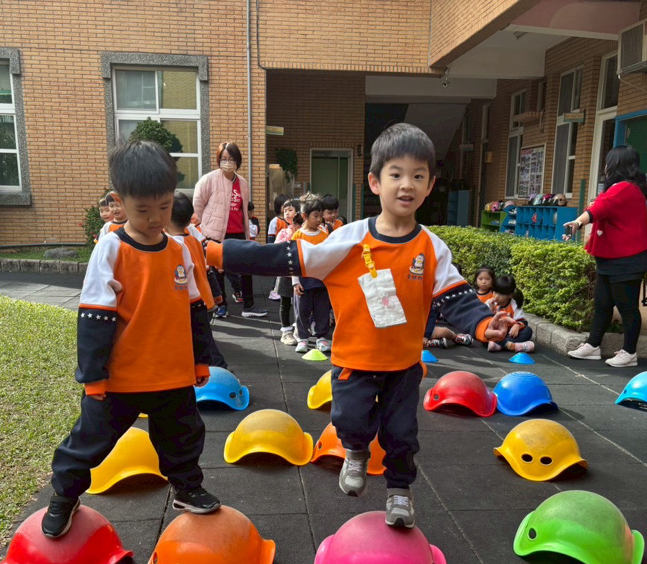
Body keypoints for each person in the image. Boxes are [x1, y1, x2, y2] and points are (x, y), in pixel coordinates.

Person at [207, 123, 512, 529]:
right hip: (354, 360)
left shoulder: (431, 248)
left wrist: (485, 324)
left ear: (429, 185)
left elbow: (455, 298)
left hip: (403, 364)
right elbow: (285, 257)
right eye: (396, 174)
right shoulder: (347, 241)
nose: (407, 185)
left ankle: (399, 491)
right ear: (375, 182)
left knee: (402, 434)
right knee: (349, 421)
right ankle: (355, 450)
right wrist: (219, 253)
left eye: (418, 176)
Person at [42, 140, 220, 538]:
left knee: (184, 435)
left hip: (172, 373)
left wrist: (200, 359)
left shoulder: (178, 250)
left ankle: (187, 488)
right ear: (120, 202)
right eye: (143, 210)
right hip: (121, 379)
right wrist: (93, 376)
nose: (155, 218)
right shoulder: (111, 249)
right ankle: (64, 495)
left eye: (164, 207)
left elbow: (194, 309)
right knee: (89, 441)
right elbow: (94, 317)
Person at [564, 145, 647, 368]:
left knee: (627, 308)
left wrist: (577, 223)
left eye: (608, 162)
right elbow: (601, 209)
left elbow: (599, 209)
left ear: (616, 165)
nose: (605, 167)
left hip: (627, 259)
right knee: (602, 304)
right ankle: (593, 346)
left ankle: (629, 353)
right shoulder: (620, 188)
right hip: (611, 258)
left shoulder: (625, 188)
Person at [193, 142, 266, 317]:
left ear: (237, 161)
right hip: (216, 232)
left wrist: (247, 232)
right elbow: (198, 204)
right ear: (218, 160)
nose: (227, 162)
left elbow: (243, 209)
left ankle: (248, 306)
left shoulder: (243, 183)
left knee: (246, 268)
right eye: (223, 158)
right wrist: (205, 226)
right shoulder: (209, 179)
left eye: (231, 159)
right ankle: (221, 305)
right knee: (217, 270)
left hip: (238, 231)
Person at [168, 192, 228, 369]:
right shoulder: (194, 241)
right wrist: (216, 294)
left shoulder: (173, 246)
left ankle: (220, 368)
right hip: (205, 298)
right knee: (202, 338)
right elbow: (207, 270)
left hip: (192, 303)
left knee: (202, 342)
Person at [291, 198, 332, 353]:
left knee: (322, 310)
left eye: (321, 216)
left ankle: (321, 337)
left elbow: (328, 257)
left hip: (321, 280)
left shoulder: (324, 235)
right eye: (315, 216)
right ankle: (302, 338)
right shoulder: (297, 236)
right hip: (303, 280)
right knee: (302, 311)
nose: (319, 219)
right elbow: (293, 261)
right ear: (304, 216)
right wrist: (295, 281)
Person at [486, 274, 534, 353]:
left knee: (528, 331)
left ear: (510, 295)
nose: (496, 296)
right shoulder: (490, 303)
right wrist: (490, 308)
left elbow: (523, 321)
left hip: (508, 333)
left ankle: (499, 344)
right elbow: (484, 320)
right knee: (484, 332)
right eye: (495, 292)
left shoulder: (514, 305)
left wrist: (517, 325)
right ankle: (512, 346)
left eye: (501, 294)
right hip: (495, 331)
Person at [275, 208, 302, 344]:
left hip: (302, 273)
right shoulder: (284, 233)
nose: (287, 212)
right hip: (286, 273)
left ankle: (299, 328)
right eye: (285, 210)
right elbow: (276, 249)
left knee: (301, 303)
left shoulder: (307, 233)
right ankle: (286, 331)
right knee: (285, 302)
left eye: (290, 209)